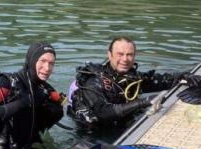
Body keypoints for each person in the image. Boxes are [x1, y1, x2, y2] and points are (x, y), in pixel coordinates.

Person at [68, 37, 201, 131]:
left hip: (122, 124)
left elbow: (159, 80)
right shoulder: (94, 81)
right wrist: (143, 102)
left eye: (130, 55)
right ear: (109, 55)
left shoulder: (129, 78)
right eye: (120, 54)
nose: (125, 59)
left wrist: (184, 76)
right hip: (94, 134)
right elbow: (103, 112)